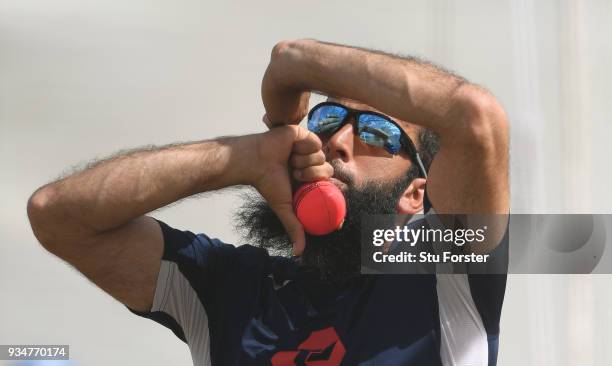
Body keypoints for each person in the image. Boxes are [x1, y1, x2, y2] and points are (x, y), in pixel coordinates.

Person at [27, 39, 509, 365]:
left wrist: (296, 61)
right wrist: (242, 158)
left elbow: (475, 116)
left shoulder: (444, 267)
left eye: (377, 134)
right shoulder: (228, 289)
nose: (338, 141)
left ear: (415, 193)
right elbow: (58, 215)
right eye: (327, 119)